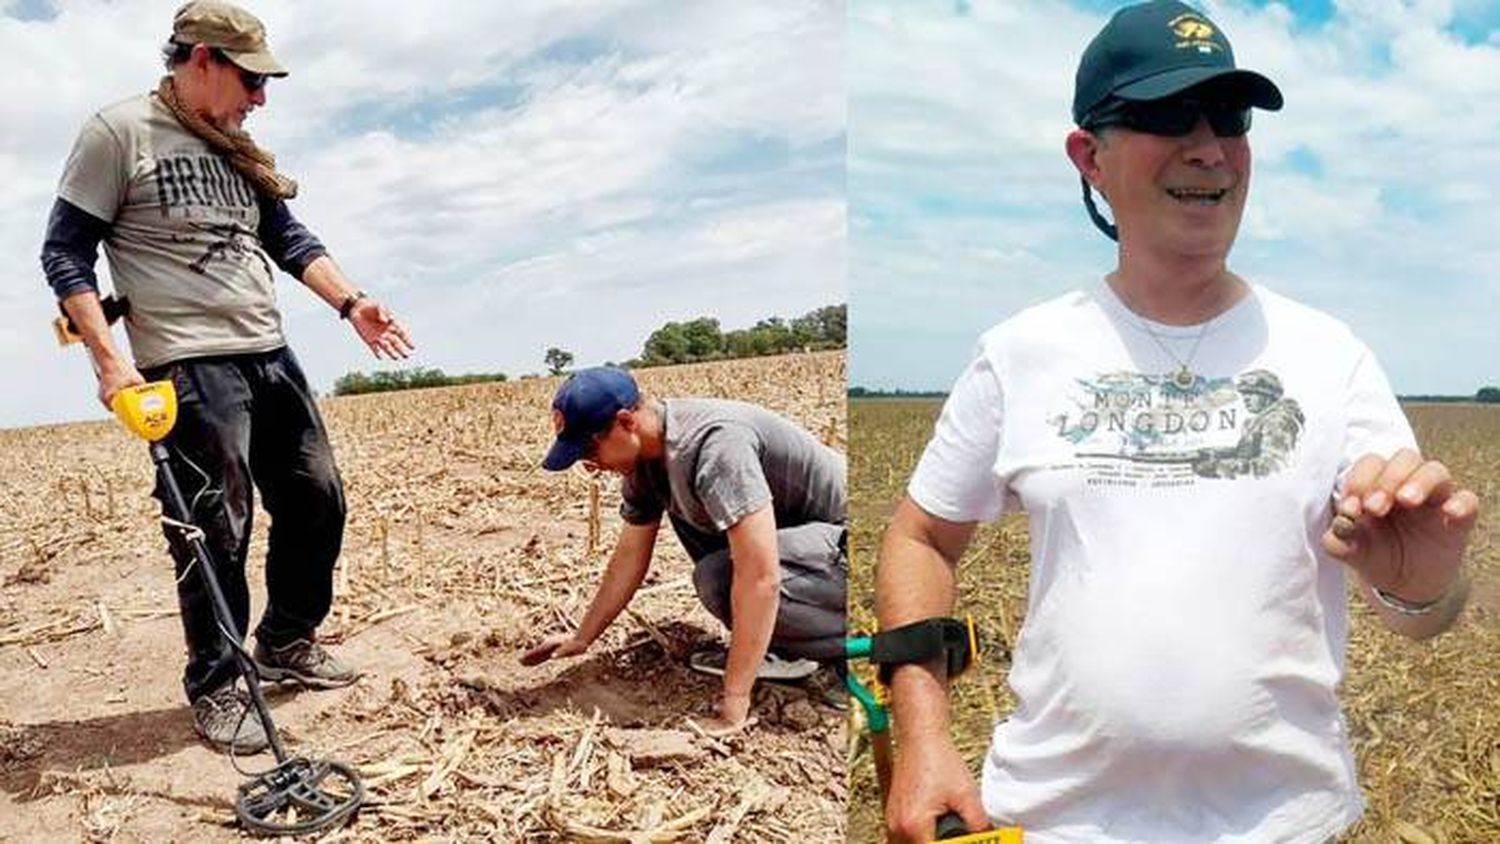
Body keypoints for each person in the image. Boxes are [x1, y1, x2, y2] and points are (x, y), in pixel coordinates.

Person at [875, 2, 1480, 841]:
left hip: (1285, 826)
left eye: (1228, 118)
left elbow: (1423, 611)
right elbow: (919, 538)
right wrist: (924, 740)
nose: (1207, 147)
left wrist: (1421, 581)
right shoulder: (1022, 353)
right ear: (1089, 156)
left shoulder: (1329, 357)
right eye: (1164, 116)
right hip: (1053, 821)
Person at [39, 0, 414, 753]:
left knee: (317, 498)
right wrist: (109, 363)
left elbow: (287, 235)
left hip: (268, 350)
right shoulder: (119, 133)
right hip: (187, 360)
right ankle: (217, 684)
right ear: (202, 59)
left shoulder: (235, 145)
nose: (261, 96)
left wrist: (351, 303)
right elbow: (66, 253)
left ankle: (285, 640)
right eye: (250, 78)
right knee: (215, 524)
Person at [520, 367, 847, 734]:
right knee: (714, 566)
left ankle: (854, 652)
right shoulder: (644, 463)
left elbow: (761, 578)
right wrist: (583, 637)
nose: (590, 465)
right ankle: (788, 648)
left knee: (722, 578)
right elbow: (629, 556)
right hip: (807, 552)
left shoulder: (714, 446)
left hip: (854, 552)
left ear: (626, 422)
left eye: (590, 449)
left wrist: (735, 701)